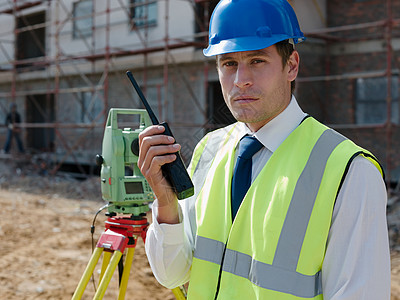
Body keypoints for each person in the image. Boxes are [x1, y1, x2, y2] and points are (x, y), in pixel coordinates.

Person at [139, 0, 391, 298]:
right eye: (229, 63)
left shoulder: (348, 171)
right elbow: (172, 275)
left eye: (257, 61)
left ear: (291, 66)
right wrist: (166, 204)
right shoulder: (209, 150)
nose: (241, 80)